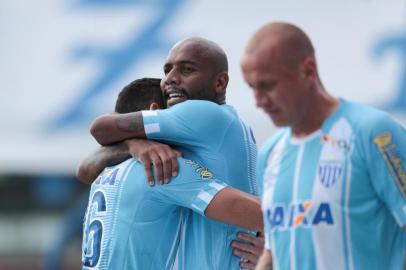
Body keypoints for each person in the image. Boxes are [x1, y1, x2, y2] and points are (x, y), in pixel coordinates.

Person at [86, 37, 264, 269]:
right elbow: (240, 208)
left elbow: (90, 156)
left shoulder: (106, 174)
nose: (170, 79)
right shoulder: (165, 168)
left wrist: (134, 143)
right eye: (167, 70)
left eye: (187, 69)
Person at [240, 22, 406, 270]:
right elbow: (274, 252)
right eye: (252, 87)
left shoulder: (373, 133)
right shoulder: (270, 153)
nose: (258, 101)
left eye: (268, 85)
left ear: (308, 71)